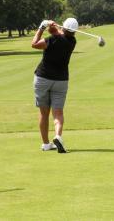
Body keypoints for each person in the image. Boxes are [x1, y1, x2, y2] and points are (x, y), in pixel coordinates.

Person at [31, 18, 78, 153]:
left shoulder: (52, 40)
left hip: (42, 78)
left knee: (44, 113)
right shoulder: (72, 42)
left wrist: (41, 27)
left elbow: (34, 44)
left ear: (63, 27)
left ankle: (46, 144)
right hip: (61, 81)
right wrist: (51, 27)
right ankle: (58, 136)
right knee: (58, 113)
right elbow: (57, 33)